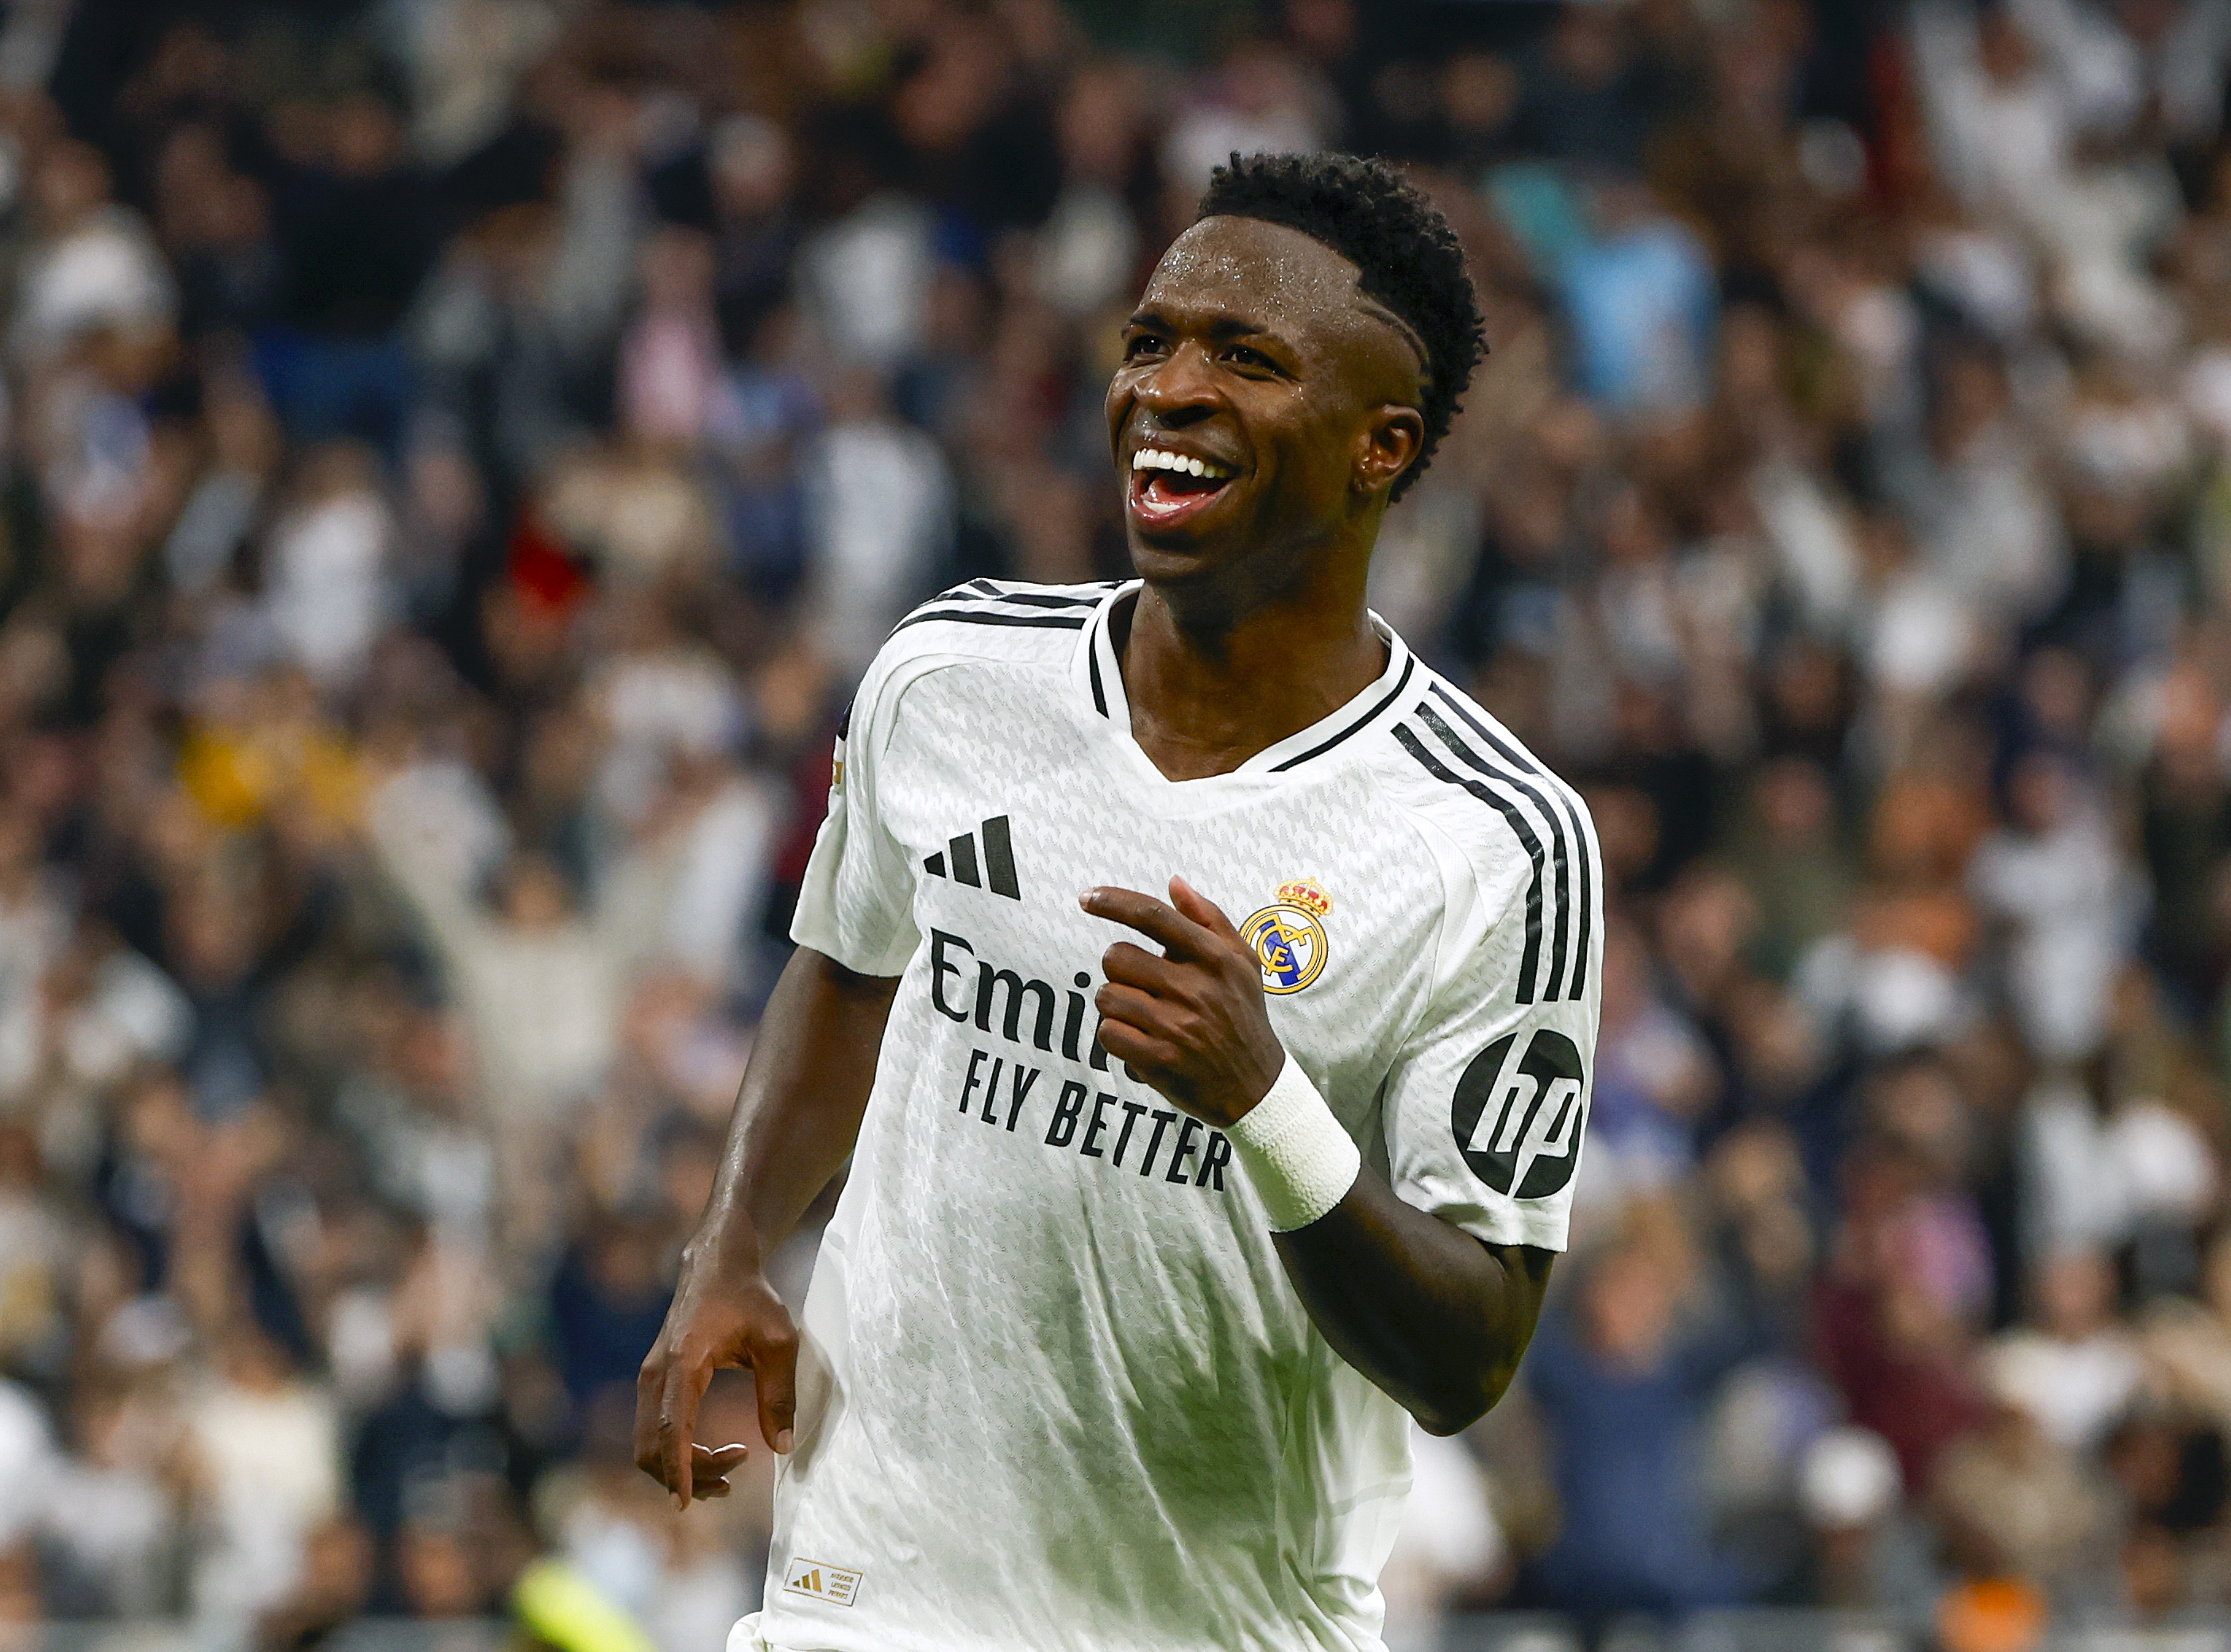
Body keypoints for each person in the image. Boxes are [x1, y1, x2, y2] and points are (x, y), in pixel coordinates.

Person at [634, 151, 1604, 1652]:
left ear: (1380, 446)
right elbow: (846, 970)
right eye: (1152, 339)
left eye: (1248, 357)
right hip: (871, 1590)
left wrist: (1265, 1101)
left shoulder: (1497, 843)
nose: (1169, 385)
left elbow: (1470, 1353)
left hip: (1211, 1624)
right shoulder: (952, 677)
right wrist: (736, 1245)